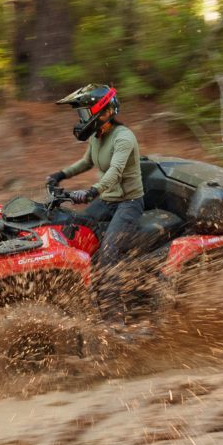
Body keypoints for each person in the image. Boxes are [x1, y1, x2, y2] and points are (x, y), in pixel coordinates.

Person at [46, 84, 144, 325]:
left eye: (85, 113)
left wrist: (92, 191)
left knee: (108, 255)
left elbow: (115, 172)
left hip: (128, 203)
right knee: (74, 228)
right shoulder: (98, 136)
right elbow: (86, 162)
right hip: (108, 200)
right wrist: (59, 175)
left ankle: (115, 320)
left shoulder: (124, 137)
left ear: (104, 112)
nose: (82, 119)